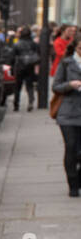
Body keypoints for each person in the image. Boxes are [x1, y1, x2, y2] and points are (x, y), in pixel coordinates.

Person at [50, 38, 81, 197]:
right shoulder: (66, 63)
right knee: (71, 147)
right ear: (75, 47)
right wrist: (70, 85)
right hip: (68, 113)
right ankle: (73, 184)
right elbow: (55, 87)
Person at [12, 26, 39, 111]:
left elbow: (12, 57)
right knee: (29, 85)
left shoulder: (17, 44)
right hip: (30, 66)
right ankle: (31, 101)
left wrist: (12, 67)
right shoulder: (33, 44)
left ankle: (16, 104)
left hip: (20, 66)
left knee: (17, 87)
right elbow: (38, 54)